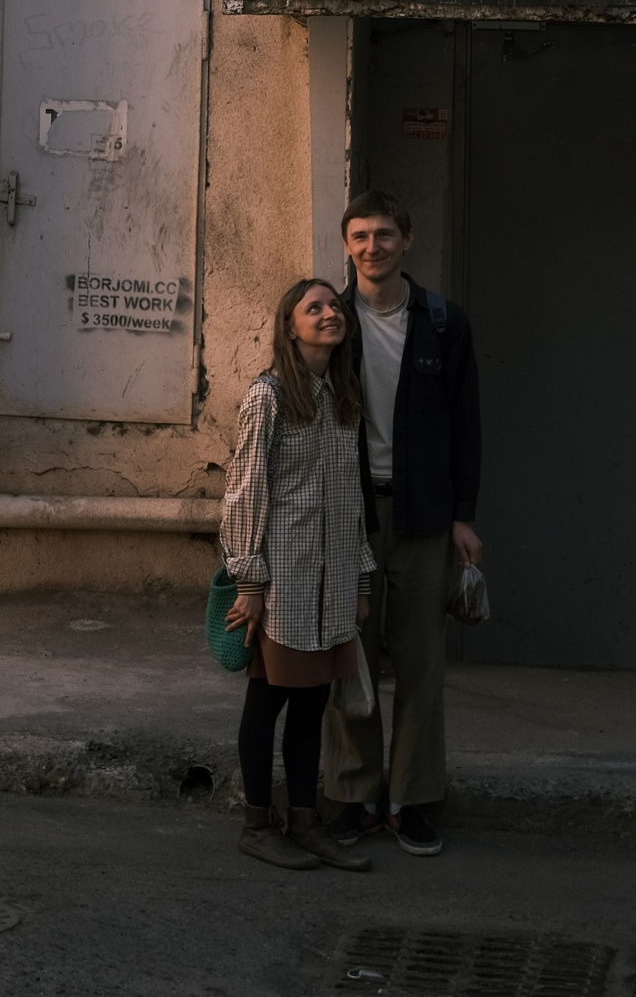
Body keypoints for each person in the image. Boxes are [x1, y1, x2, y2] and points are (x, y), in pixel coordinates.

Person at [323, 190, 481, 858]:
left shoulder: (443, 323)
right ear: (347, 244)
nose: (371, 246)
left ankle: (408, 800)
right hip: (349, 512)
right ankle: (354, 792)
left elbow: (466, 426)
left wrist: (464, 517)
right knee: (349, 655)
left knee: (418, 661)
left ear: (407, 240)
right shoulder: (328, 319)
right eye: (359, 235)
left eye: (384, 234)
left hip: (422, 515)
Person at [218, 278, 377, 873]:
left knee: (313, 706)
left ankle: (305, 822)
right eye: (315, 308)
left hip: (334, 580)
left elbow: (352, 497)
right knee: (268, 699)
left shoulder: (343, 392)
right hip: (284, 576)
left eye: (335, 305)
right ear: (290, 326)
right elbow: (245, 489)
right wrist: (250, 581)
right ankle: (258, 824)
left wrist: (361, 580)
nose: (330, 312)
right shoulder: (270, 395)